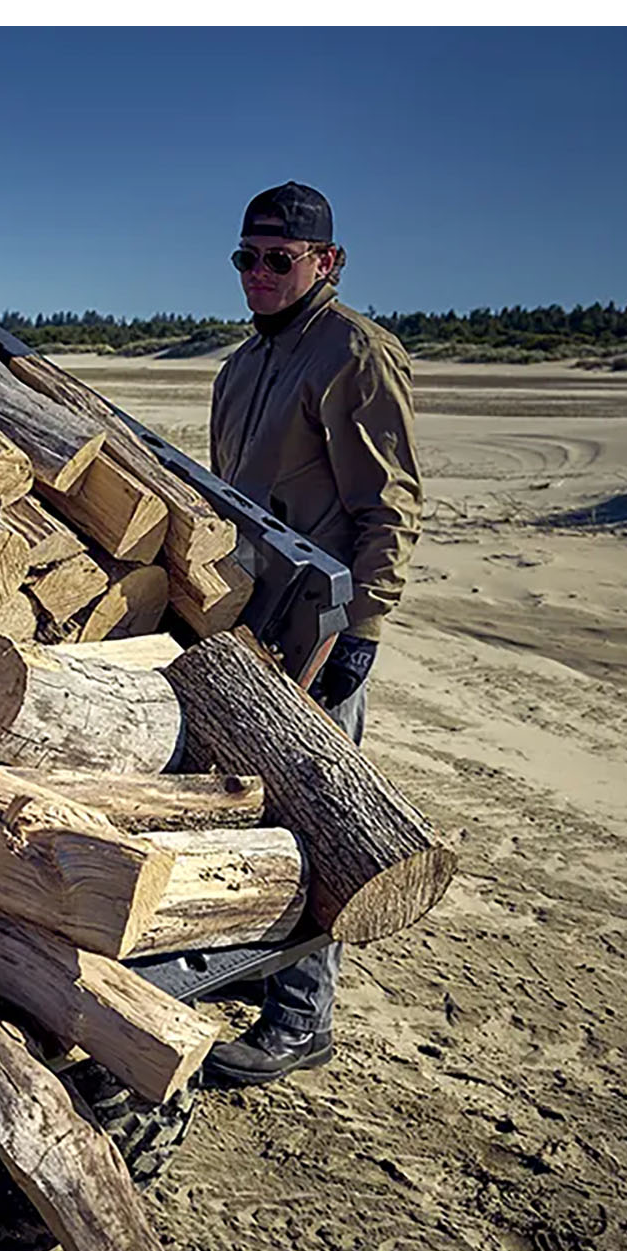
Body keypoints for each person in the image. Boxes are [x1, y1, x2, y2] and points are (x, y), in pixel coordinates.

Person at [200, 181, 423, 1087]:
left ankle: (301, 1019)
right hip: (249, 623)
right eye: (246, 257)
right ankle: (262, 971)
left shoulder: (356, 354)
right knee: (245, 801)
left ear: (327, 262)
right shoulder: (241, 366)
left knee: (315, 816)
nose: (258, 273)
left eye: (278, 259)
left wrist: (363, 627)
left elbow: (389, 505)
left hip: (320, 629)